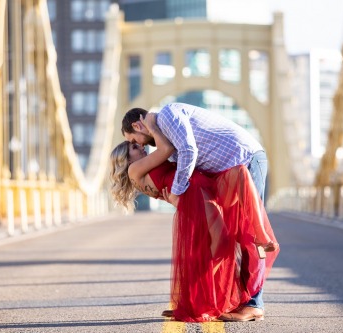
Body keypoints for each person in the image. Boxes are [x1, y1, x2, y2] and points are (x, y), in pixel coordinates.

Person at [109, 114, 279, 322]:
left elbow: (171, 172)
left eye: (135, 142)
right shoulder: (135, 169)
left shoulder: (148, 164)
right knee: (220, 245)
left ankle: (259, 237)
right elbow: (167, 150)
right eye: (134, 147)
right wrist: (152, 127)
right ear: (125, 160)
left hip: (204, 192)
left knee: (240, 173)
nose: (141, 146)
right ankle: (199, 301)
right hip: (196, 200)